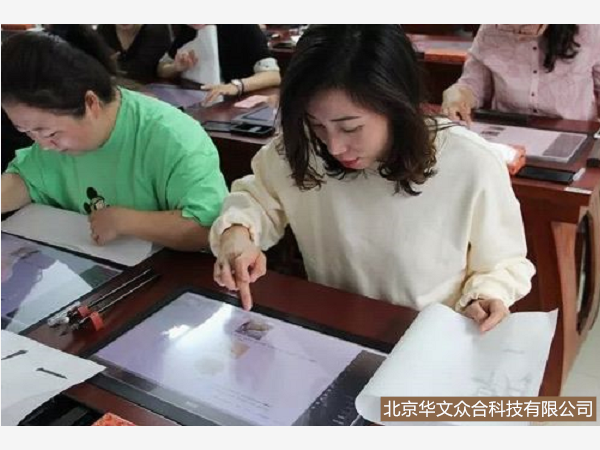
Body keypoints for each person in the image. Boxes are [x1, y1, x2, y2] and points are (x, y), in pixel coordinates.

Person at [210, 25, 535, 333]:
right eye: (317, 125)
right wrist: (237, 234)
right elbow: (257, 198)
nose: (334, 146)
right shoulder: (302, 148)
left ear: (397, 106)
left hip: (427, 337)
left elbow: (503, 262)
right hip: (333, 329)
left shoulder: (468, 162)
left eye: (351, 127)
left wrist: (485, 296)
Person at [1, 25, 228, 251]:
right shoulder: (53, 137)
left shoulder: (173, 138)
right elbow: (27, 178)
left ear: (91, 103)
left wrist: (126, 221)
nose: (43, 145)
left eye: (49, 133)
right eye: (26, 131)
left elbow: (205, 227)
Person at [442, 24, 600, 124]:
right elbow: (473, 85)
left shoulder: (590, 29)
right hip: (507, 130)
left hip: (573, 133)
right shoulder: (491, 30)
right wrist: (458, 94)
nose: (515, 33)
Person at [157, 25, 281, 104]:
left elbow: (273, 75)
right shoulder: (189, 30)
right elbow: (161, 68)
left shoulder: (243, 26)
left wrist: (235, 86)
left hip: (239, 100)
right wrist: (176, 68)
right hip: (200, 100)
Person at [96, 24, 172, 81]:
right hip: (114, 86)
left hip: (149, 87)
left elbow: (142, 70)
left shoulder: (156, 29)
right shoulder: (104, 28)